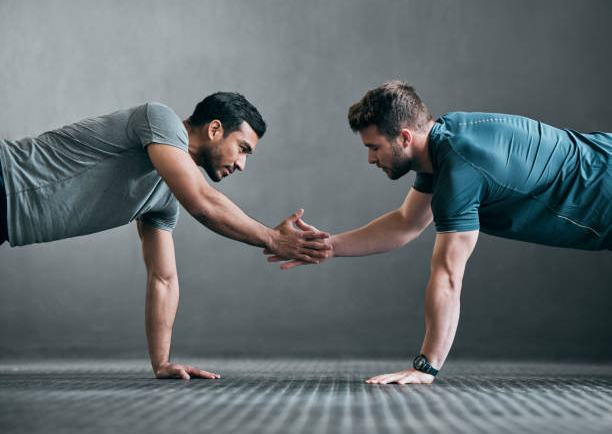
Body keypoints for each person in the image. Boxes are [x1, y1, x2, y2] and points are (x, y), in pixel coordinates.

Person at [266, 81, 612, 384]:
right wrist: (327, 246)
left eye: (374, 147)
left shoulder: (461, 171)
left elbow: (448, 276)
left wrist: (425, 367)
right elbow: (405, 223)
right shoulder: (446, 140)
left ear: (404, 137)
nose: (371, 159)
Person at [0, 92, 330, 379]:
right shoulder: (159, 117)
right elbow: (201, 202)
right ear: (215, 129)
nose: (242, 164)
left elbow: (163, 278)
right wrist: (272, 239)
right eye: (242, 148)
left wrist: (161, 362)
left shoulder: (163, 198)